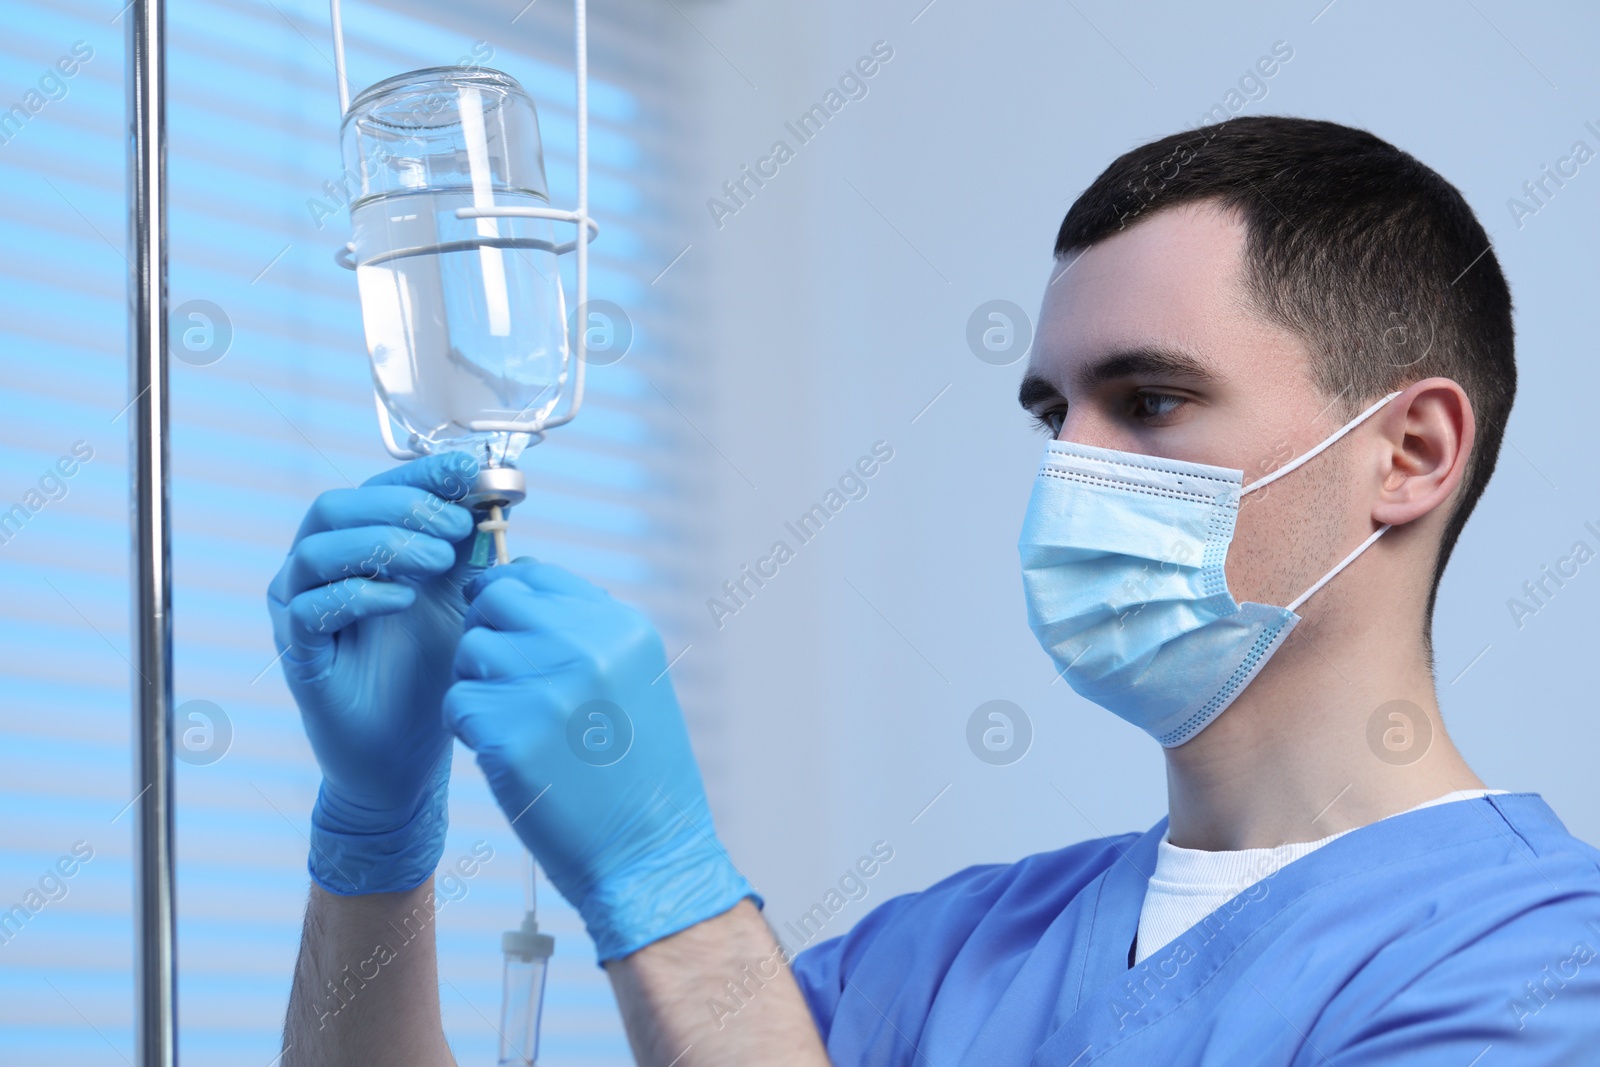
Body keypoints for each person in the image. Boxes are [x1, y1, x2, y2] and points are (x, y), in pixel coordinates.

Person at [268, 116, 1600, 1066]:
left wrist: (665, 893)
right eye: (1051, 413)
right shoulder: (950, 953)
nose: (1070, 467)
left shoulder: (1533, 973)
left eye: (1148, 401)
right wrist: (377, 833)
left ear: (1408, 455)